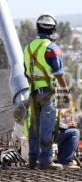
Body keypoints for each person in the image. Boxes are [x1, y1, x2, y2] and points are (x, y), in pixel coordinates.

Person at [23, 12, 70, 170]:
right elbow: (58, 73)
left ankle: (32, 159)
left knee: (34, 126)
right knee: (46, 127)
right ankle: (45, 161)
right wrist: (66, 90)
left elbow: (26, 74)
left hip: (33, 92)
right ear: (53, 29)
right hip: (48, 92)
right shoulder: (52, 48)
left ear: (37, 28)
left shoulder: (28, 48)